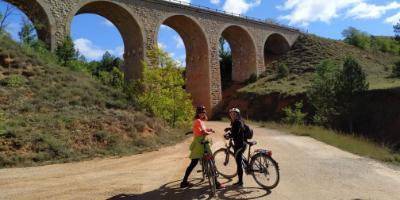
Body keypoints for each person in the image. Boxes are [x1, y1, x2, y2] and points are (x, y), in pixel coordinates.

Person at [180, 106, 223, 189]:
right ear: (197, 113)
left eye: (203, 112)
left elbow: (203, 129)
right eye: (200, 112)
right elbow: (203, 131)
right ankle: (216, 183)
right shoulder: (198, 121)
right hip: (201, 142)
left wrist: (209, 129)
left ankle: (184, 182)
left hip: (198, 142)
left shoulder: (199, 121)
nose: (202, 113)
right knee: (211, 159)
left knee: (193, 163)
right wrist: (208, 132)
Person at [228, 107, 246, 187]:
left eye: (234, 114)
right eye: (231, 114)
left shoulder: (237, 122)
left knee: (239, 164)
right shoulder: (239, 121)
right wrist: (229, 130)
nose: (232, 115)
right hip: (242, 143)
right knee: (240, 159)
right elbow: (235, 130)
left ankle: (240, 182)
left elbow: (236, 133)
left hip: (239, 145)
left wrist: (229, 135)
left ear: (237, 115)